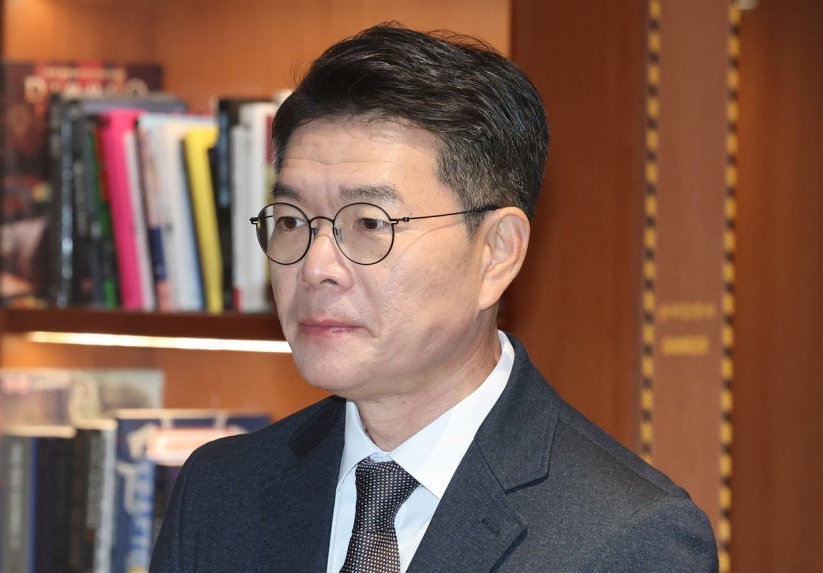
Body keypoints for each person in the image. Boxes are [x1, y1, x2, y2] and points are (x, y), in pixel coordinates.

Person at [150, 23, 718, 572]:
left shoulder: (628, 538)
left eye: (368, 223)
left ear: (497, 252)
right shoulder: (219, 493)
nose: (316, 267)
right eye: (293, 220)